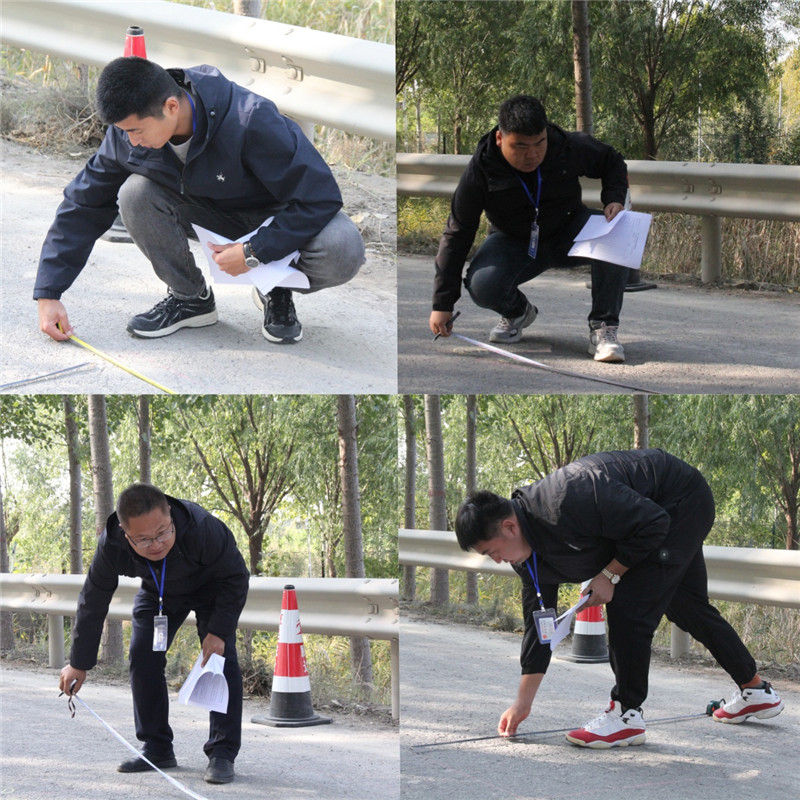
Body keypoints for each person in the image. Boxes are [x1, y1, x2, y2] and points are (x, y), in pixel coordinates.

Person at [454, 448, 784, 749]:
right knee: (688, 607)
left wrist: (610, 575)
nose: (497, 561)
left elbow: (654, 523)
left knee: (628, 605)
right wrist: (522, 704)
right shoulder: (527, 561)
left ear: (510, 527)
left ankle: (626, 715)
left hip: (680, 500)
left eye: (492, 552)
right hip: (655, 516)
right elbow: (541, 630)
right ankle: (755, 690)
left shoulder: (569, 497)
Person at [35, 56, 365, 344]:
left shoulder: (251, 119)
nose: (131, 141)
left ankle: (275, 285)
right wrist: (49, 293)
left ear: (171, 107)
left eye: (136, 130)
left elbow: (320, 198)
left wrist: (255, 252)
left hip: (274, 220)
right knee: (134, 193)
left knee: (342, 246)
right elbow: (83, 204)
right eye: (124, 131)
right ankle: (190, 298)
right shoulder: (125, 136)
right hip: (207, 214)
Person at [58, 483, 249, 784]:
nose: (157, 544)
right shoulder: (112, 544)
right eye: (144, 540)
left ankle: (222, 752)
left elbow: (236, 577)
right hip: (159, 593)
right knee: (142, 655)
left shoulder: (203, 528)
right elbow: (93, 599)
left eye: (163, 533)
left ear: (169, 514)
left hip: (213, 589)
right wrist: (78, 663)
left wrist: (219, 631)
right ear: (125, 533)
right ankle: (157, 748)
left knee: (220, 660)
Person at [429, 94, 632, 363]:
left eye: (539, 143)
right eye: (521, 146)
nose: (533, 154)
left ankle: (603, 328)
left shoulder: (565, 145)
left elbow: (612, 161)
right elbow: (457, 234)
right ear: (500, 138)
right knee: (481, 284)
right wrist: (442, 304)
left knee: (618, 232)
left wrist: (614, 198)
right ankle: (518, 313)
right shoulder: (481, 170)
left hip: (570, 231)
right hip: (514, 242)